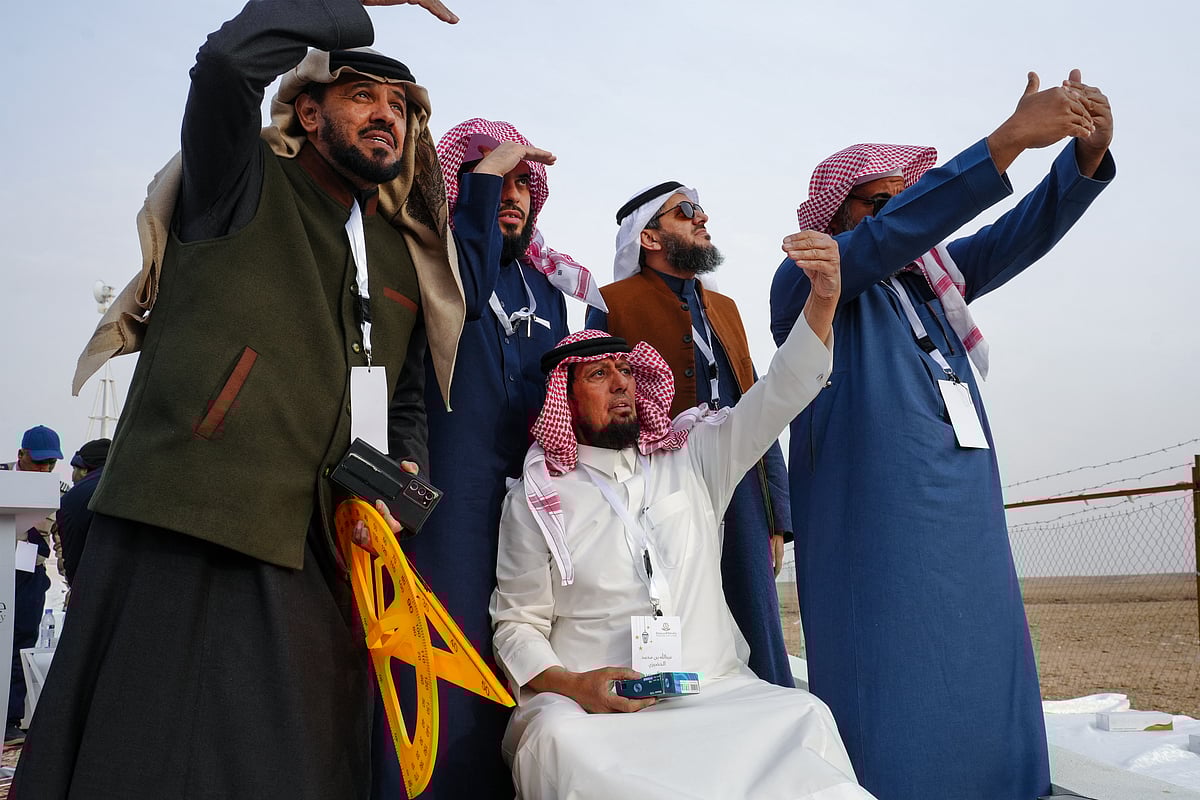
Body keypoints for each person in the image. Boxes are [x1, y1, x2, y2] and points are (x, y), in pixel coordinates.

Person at [14, 1, 465, 797]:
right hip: (193, 529)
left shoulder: (401, 255)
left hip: (321, 557)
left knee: (297, 772)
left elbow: (407, 400)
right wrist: (341, 8)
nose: (386, 116)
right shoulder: (238, 183)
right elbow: (225, 66)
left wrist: (402, 476)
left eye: (401, 109)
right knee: (154, 764)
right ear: (307, 109)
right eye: (362, 95)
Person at [769, 70, 1114, 800]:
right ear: (838, 213)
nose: (900, 210)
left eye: (905, 195)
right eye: (880, 200)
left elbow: (1017, 235)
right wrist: (1008, 139)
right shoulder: (808, 276)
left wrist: (1079, 162)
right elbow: (888, 238)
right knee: (894, 665)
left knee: (984, 652)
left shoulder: (932, 283)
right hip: (880, 515)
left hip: (962, 506)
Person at [473, 226, 873, 798]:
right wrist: (575, 685)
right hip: (599, 715)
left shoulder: (693, 459)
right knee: (560, 747)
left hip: (714, 692)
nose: (622, 385)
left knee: (804, 717)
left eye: (628, 372)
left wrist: (824, 301)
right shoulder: (538, 495)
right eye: (599, 375)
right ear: (565, 397)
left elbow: (780, 394)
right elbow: (517, 623)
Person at [372, 119, 605, 798]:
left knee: (524, 659)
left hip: (531, 511)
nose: (513, 194)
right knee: (437, 660)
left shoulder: (551, 292)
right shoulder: (426, 264)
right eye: (492, 178)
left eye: (523, 181)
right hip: (446, 505)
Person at [585, 182, 795, 686]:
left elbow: (756, 401)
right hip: (655, 488)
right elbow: (589, 404)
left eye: (701, 211)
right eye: (688, 212)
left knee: (753, 614)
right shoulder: (613, 304)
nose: (703, 220)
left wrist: (777, 516)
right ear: (650, 237)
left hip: (741, 488)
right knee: (669, 615)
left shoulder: (726, 310)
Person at [1, 425, 63, 745]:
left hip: (28, 577)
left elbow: (60, 537)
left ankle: (10, 718)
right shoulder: (1, 479)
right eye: (38, 462)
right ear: (20, 455)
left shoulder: (55, 491)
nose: (44, 469)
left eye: (50, 463)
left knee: (20, 642)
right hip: (1, 567)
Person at [56, 438, 111, 587]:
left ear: (84, 469)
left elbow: (72, 550)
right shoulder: (133, 486)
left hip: (91, 583)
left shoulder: (73, 498)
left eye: (74, 469)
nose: (72, 476)